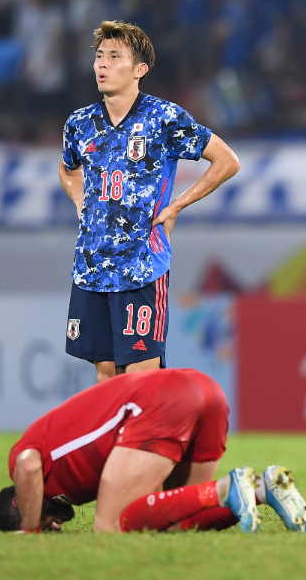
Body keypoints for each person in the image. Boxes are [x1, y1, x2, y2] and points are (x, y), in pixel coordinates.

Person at [60, 21, 241, 382]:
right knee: (106, 374)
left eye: (114, 57)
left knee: (141, 376)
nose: (102, 65)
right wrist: (82, 204)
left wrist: (176, 206)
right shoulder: (79, 123)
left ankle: (149, 440)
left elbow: (227, 161)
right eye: (99, 56)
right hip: (92, 265)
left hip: (141, 264)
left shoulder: (163, 118)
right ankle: (116, 441)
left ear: (140, 70)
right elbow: (69, 170)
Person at [0, 368, 306, 533]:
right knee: (171, 517)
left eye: (47, 525)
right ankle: (263, 488)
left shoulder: (25, 465)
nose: (55, 526)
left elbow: (27, 465)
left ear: (19, 503)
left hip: (161, 401)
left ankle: (230, 486)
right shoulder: (69, 486)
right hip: (206, 390)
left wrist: (29, 530)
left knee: (109, 527)